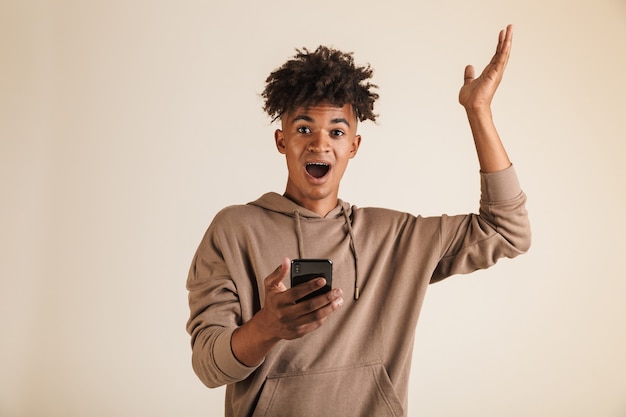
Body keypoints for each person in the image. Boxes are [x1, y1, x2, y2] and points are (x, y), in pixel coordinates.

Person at [186, 24, 530, 417]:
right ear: (281, 140)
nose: (320, 143)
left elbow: (508, 229)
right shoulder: (234, 230)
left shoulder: (394, 236)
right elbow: (207, 366)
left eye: (336, 130)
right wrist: (266, 328)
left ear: (353, 146)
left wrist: (478, 111)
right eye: (303, 129)